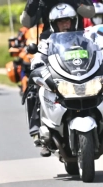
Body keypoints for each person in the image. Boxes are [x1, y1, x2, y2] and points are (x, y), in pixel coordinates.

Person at [28, 3, 79, 157]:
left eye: (68, 20)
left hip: (80, 78)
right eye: (61, 21)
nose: (65, 24)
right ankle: (39, 133)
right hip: (58, 81)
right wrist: (40, 70)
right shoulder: (47, 43)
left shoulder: (83, 40)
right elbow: (37, 61)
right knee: (34, 91)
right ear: (54, 24)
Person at [20, 0, 95, 39]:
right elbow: (27, 23)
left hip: (77, 39)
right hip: (49, 43)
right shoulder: (42, 1)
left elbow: (90, 13)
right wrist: (33, 3)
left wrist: (74, 2)